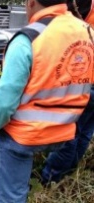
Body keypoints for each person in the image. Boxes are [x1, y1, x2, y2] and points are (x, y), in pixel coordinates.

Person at [0, 0, 94, 202]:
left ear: (31, 2)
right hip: (65, 131)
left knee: (11, 190)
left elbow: (5, 100)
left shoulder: (28, 38)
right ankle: (49, 182)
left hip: (24, 136)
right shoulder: (87, 32)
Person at [41, 0, 94, 184]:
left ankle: (50, 179)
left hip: (86, 82)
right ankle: (68, 172)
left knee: (68, 134)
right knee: (84, 132)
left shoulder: (79, 9)